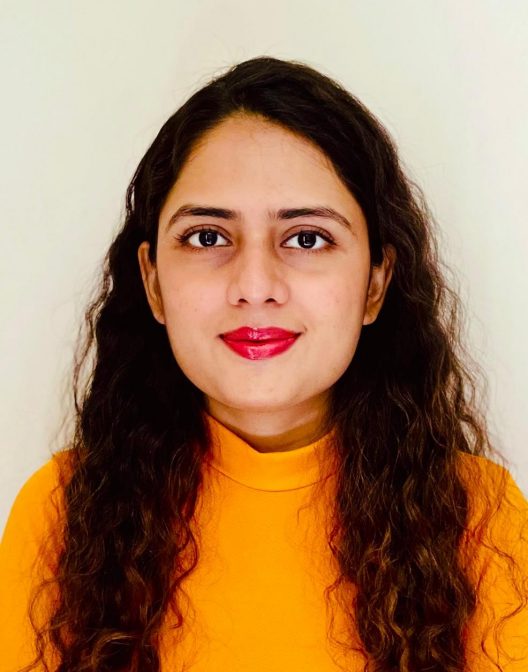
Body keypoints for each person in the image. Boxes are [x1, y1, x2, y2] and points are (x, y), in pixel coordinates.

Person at [0, 55, 526, 672]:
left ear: (376, 284)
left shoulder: (481, 521)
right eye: (208, 237)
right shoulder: (61, 513)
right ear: (152, 282)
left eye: (307, 238)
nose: (254, 286)